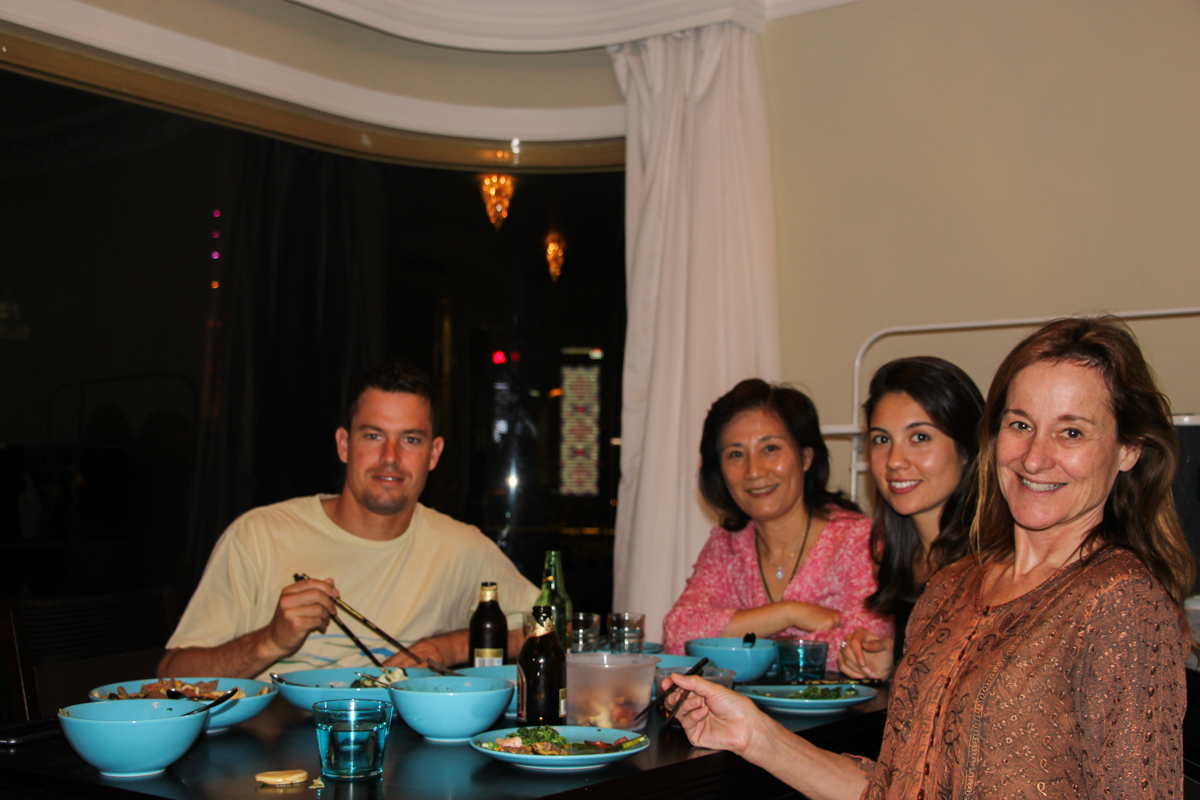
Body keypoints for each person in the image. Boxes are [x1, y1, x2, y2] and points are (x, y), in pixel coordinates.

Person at [669, 316, 1194, 799]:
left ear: (1129, 449)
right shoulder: (952, 587)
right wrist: (754, 735)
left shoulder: (1121, 603)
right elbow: (894, 788)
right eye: (1020, 425)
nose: (1036, 457)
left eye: (1071, 432)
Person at [159, 363, 539, 680]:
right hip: (272, 744)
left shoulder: (460, 547)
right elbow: (171, 675)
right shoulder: (258, 535)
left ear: (434, 454)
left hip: (401, 742)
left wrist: (448, 647)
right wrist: (270, 641)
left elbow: (555, 625)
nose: (390, 457)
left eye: (410, 439)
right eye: (373, 436)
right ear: (344, 445)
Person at [662, 379, 891, 655]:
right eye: (736, 454)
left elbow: (868, 646)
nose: (754, 471)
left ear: (806, 457)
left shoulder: (858, 540)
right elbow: (678, 635)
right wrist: (790, 613)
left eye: (770, 449)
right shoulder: (727, 546)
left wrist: (743, 640)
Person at [837, 357, 984, 680]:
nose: (894, 461)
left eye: (919, 438)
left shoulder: (994, 565)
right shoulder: (895, 558)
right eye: (881, 440)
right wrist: (893, 664)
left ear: (966, 448)